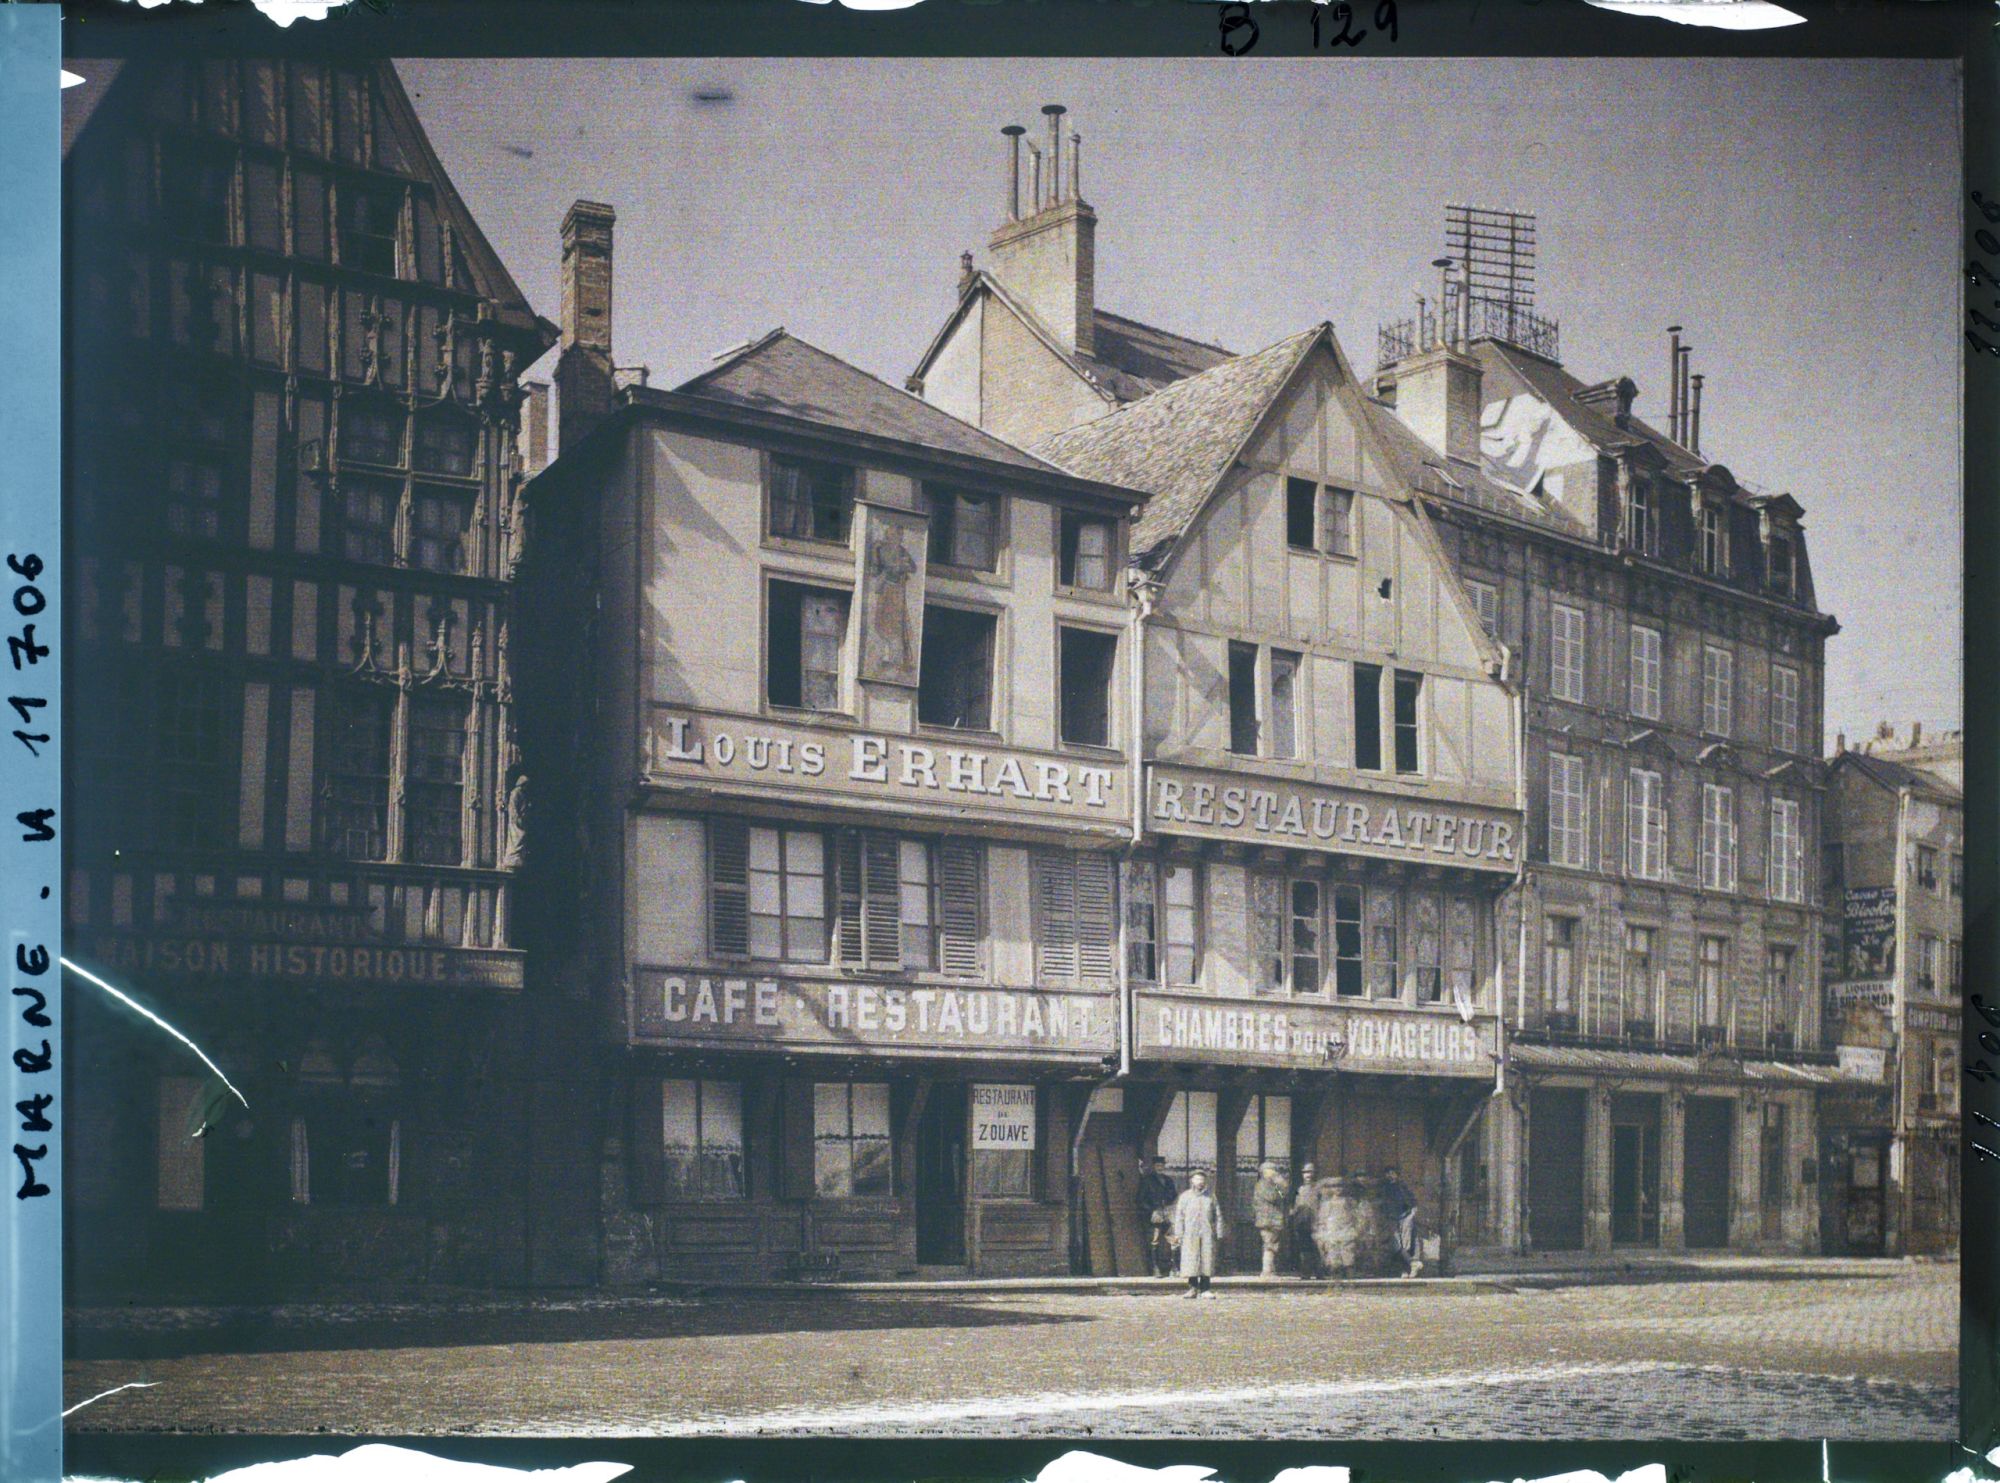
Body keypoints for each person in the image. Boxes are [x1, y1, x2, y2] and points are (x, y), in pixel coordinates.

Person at [1174, 1169, 1225, 1299]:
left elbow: (1218, 1215)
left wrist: (1219, 1231)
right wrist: (1178, 1234)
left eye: (1202, 1180)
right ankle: (1192, 1288)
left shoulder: (1211, 1196)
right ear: (1192, 1181)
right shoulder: (1185, 1197)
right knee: (1191, 1259)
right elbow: (1179, 1216)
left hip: (1207, 1233)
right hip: (1190, 1233)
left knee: (1206, 1260)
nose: (1200, 1182)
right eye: (1197, 1179)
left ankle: (1205, 1289)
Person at [1137, 1155, 1179, 1278]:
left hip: (1167, 1213)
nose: (1160, 1168)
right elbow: (1140, 1200)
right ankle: (1155, 1269)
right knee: (1154, 1242)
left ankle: (1174, 1268)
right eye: (1157, 1166)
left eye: (1162, 1166)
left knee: (1173, 1240)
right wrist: (1152, 1211)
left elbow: (1174, 1195)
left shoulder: (1169, 1180)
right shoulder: (1147, 1181)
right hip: (1154, 1216)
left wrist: (1169, 1206)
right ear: (1153, 1167)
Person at [1252, 1161, 1289, 1278]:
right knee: (1270, 1244)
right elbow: (1273, 1197)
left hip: (1272, 1219)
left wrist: (1281, 1185)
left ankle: (1270, 1270)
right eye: (1271, 1170)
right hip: (1267, 1219)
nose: (1274, 1173)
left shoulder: (1272, 1185)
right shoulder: (1263, 1185)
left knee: (1272, 1244)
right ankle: (1267, 1271)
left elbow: (1283, 1195)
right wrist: (1279, 1183)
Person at [1383, 1165, 1421, 1277]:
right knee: (1396, 1245)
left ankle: (1407, 1269)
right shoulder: (1385, 1188)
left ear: (1397, 1175)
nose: (1390, 1175)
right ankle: (1413, 1264)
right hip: (1392, 1218)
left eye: (1392, 1173)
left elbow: (1413, 1203)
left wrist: (1410, 1216)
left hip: (1405, 1217)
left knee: (1406, 1244)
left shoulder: (1402, 1187)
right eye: (1388, 1173)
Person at [1291, 1162, 1322, 1280]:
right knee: (1304, 1249)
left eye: (1310, 1172)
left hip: (1316, 1221)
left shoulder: (1319, 1189)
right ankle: (1305, 1272)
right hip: (1302, 1222)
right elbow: (1293, 1203)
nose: (1308, 1175)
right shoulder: (1299, 1189)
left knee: (1317, 1248)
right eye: (1305, 1172)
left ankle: (1319, 1272)